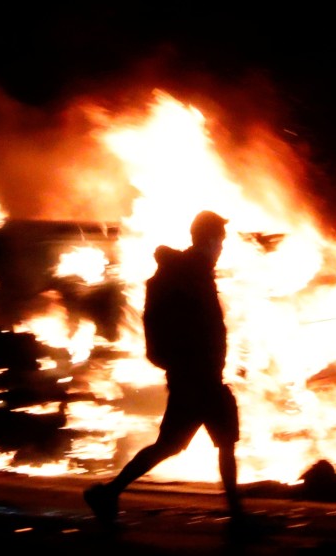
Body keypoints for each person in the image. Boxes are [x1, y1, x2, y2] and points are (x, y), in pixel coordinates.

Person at [84, 210, 244, 530]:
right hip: (196, 376)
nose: (222, 246)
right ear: (209, 239)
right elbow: (192, 326)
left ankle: (109, 493)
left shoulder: (194, 272)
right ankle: (238, 517)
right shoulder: (189, 274)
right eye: (220, 239)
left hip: (199, 375)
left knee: (181, 444)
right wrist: (197, 361)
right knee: (200, 442)